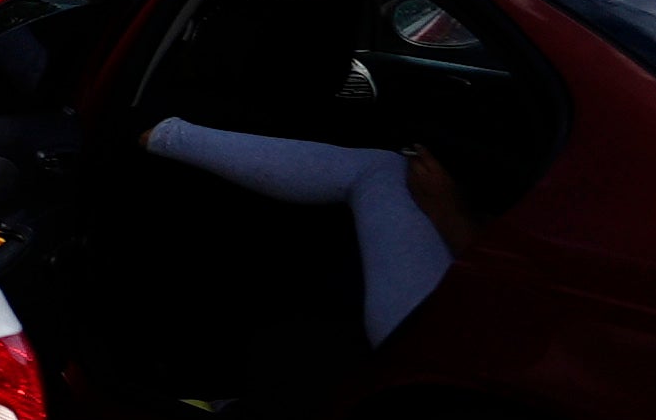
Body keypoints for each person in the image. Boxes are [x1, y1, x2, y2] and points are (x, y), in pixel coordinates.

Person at [141, 117, 468, 347]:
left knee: (384, 171)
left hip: (452, 339)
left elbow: (509, 266)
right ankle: (165, 135)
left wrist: (448, 215)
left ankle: (163, 135)